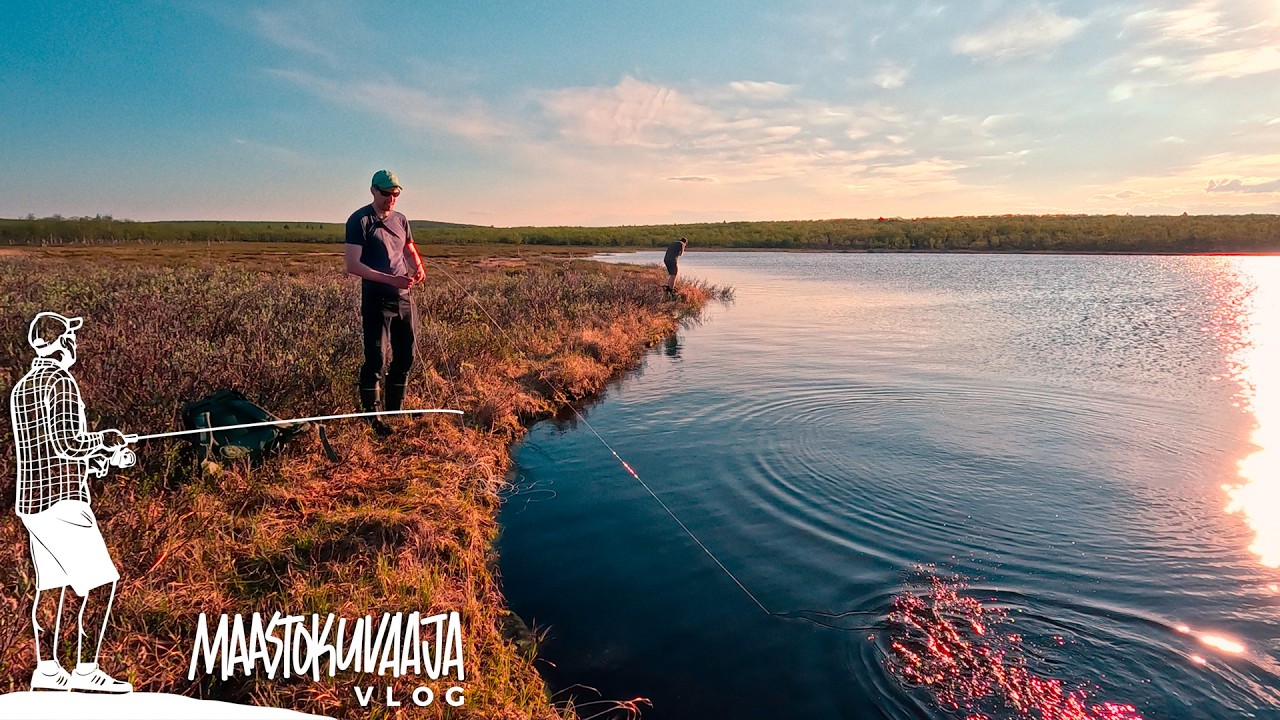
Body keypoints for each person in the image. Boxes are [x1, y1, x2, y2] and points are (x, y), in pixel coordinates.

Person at [11, 312, 134, 693]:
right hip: (63, 503)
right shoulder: (61, 381)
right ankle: (86, 671)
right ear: (62, 342)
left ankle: (47, 671)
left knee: (52, 585)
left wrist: (101, 462)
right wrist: (107, 439)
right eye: (70, 336)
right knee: (102, 583)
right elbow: (68, 443)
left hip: (32, 502)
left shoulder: (23, 386)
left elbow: (48, 450)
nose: (74, 343)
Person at [344, 170, 426, 437]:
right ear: (372, 191)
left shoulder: (401, 220)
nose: (391, 198)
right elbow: (353, 265)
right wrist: (390, 280)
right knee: (376, 359)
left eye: (395, 194)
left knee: (405, 356)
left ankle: (395, 410)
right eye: (386, 193)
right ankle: (373, 417)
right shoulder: (359, 220)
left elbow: (408, 247)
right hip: (377, 299)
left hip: (403, 298)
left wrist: (418, 266)